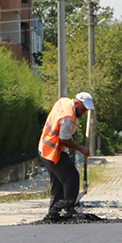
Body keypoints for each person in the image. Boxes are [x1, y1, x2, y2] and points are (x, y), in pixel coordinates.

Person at [39, 91, 94, 221]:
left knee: (58, 183)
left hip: (43, 148)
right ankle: (69, 209)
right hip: (51, 150)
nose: (84, 112)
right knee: (71, 176)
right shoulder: (68, 117)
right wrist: (81, 149)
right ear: (76, 103)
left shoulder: (64, 101)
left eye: (86, 110)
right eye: (82, 109)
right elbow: (64, 140)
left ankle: (53, 213)